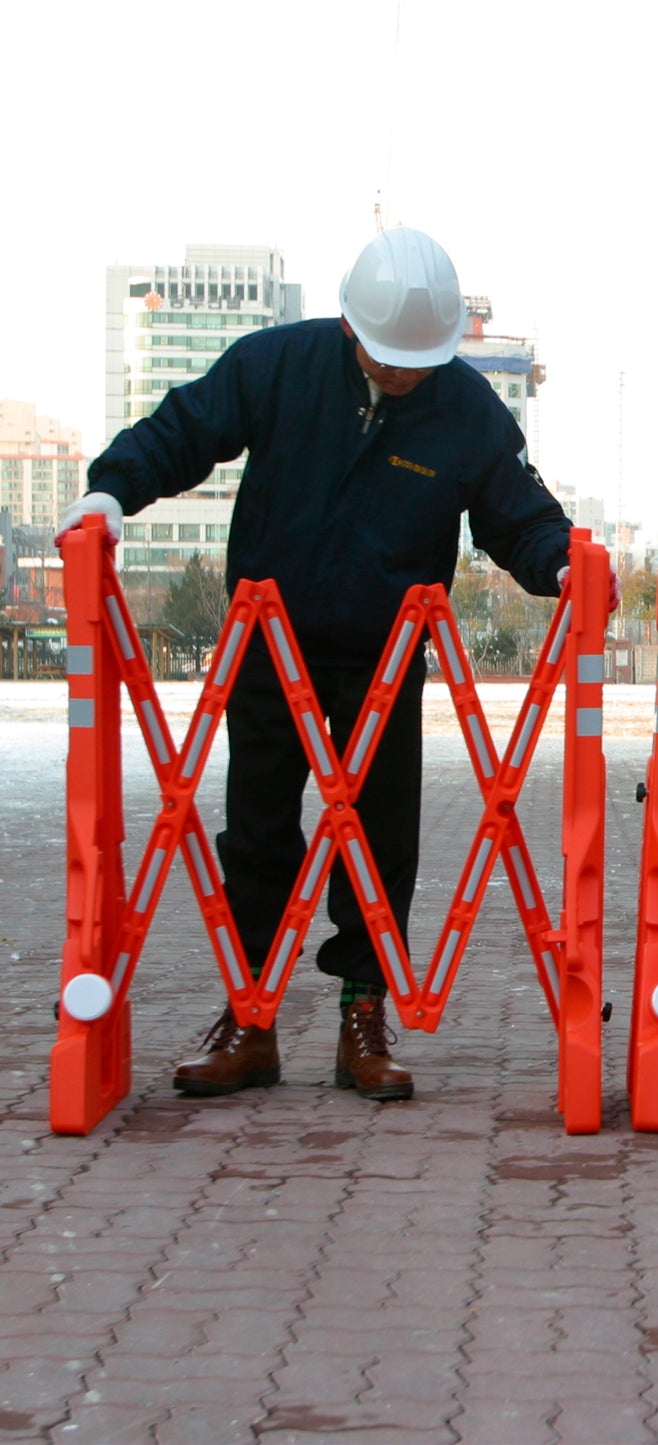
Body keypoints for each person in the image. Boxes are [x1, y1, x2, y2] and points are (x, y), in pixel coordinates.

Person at [57, 227, 609, 1103]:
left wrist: (562, 562)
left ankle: (363, 1015)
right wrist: (109, 491)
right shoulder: (277, 365)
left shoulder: (465, 409)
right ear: (351, 328)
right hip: (268, 644)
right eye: (390, 360)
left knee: (377, 840)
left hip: (386, 655)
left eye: (418, 364)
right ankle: (251, 1017)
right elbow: (184, 428)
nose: (403, 377)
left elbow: (518, 515)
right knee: (259, 834)